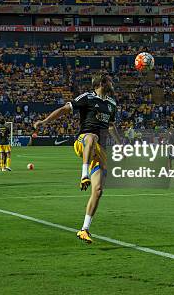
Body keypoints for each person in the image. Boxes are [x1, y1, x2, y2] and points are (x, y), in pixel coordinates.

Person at [34, 72, 122, 244]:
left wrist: (121, 145)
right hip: (83, 142)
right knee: (91, 137)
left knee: (98, 191)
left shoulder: (112, 104)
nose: (113, 83)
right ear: (102, 83)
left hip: (100, 151)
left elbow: (111, 126)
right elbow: (64, 110)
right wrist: (44, 122)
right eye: (110, 81)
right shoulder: (87, 98)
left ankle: (84, 229)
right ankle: (83, 174)